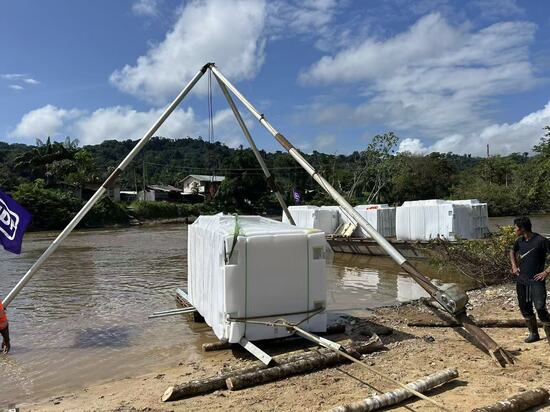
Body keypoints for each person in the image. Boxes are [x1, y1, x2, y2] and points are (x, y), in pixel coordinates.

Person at [509, 216, 550, 344]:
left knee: (540, 308)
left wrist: (546, 272)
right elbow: (512, 251)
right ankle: (534, 334)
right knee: (525, 308)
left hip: (536, 281)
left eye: (515, 228)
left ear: (522, 228)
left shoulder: (541, 240)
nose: (514, 230)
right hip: (522, 281)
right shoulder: (519, 241)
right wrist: (514, 266)